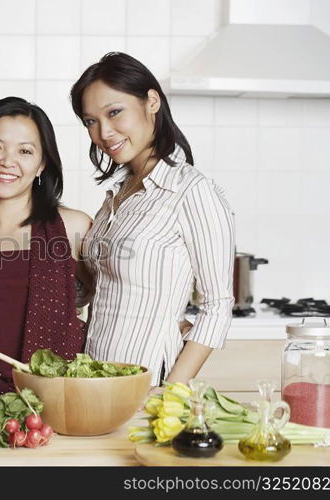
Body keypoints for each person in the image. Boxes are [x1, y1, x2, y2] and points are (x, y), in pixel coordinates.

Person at [70, 52, 235, 388]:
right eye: (90, 121)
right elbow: (99, 291)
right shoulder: (116, 197)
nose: (104, 132)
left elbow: (217, 306)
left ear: (151, 102)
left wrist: (170, 393)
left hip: (149, 386)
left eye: (114, 112)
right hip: (94, 381)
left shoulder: (192, 191)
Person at [0, 97, 93, 403]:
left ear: (42, 164)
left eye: (25, 151)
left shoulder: (74, 227)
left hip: (57, 400)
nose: (7, 161)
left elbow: (105, 301)